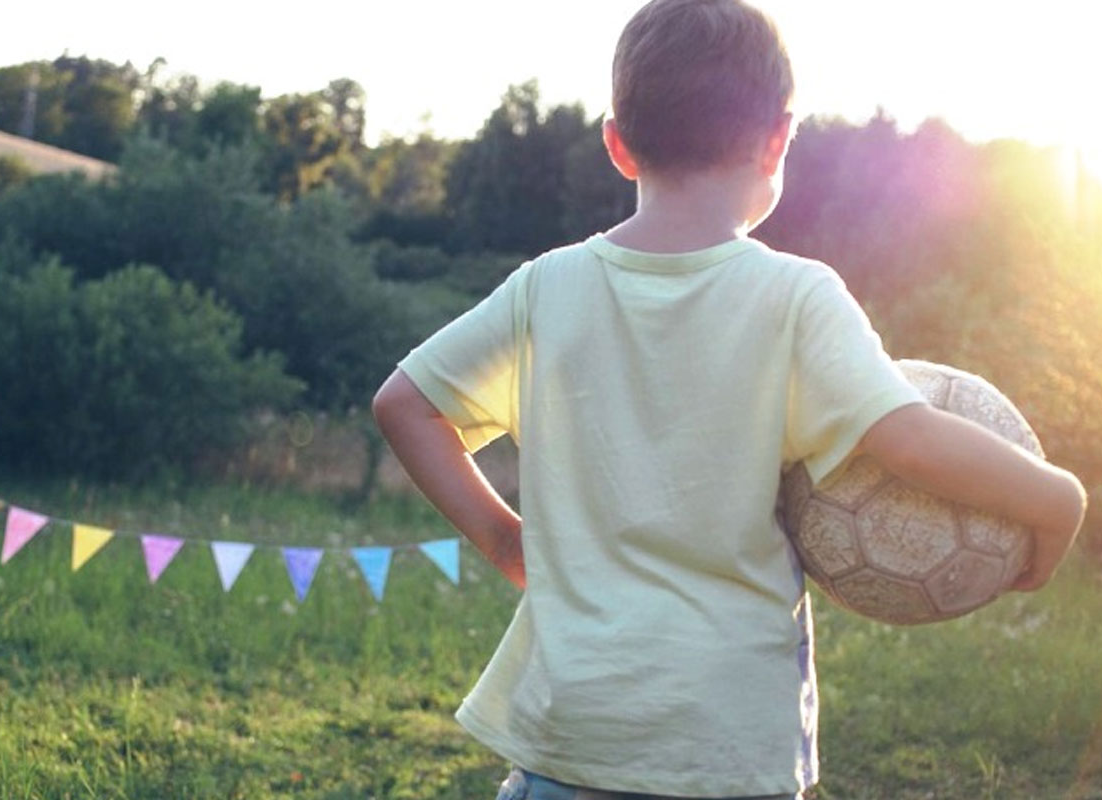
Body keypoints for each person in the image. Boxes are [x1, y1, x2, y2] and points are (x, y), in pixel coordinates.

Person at [372, 0, 1088, 797]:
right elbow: (908, 439)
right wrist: (1057, 500)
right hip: (722, 748)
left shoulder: (549, 286)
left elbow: (405, 404)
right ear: (779, 137)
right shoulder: (795, 296)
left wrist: (505, 540)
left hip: (570, 737)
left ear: (617, 142)